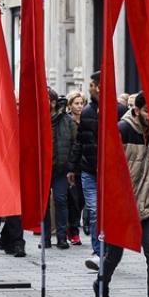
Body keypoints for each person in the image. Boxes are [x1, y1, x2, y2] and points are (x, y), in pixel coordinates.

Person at [96, 92, 149, 297]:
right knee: (114, 255)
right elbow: (109, 167)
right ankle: (101, 285)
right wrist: (118, 200)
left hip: (147, 204)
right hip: (122, 205)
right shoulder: (123, 129)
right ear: (137, 110)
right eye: (147, 111)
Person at [70, 71, 104, 269]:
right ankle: (98, 253)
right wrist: (73, 168)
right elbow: (79, 143)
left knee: (105, 213)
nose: (89, 87)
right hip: (89, 171)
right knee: (93, 211)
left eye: (92, 84)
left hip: (109, 174)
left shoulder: (117, 110)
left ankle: (107, 250)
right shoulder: (88, 112)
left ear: (99, 86)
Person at [43, 89, 75, 249]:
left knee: (61, 200)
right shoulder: (39, 119)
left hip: (61, 169)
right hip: (43, 169)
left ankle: (62, 237)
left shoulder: (66, 120)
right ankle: (45, 238)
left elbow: (74, 143)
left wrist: (70, 166)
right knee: (43, 205)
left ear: (53, 102)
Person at [64, 91, 87, 246]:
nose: (79, 106)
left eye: (81, 103)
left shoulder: (87, 120)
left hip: (85, 165)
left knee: (82, 200)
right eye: (76, 103)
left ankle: (73, 226)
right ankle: (73, 230)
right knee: (74, 200)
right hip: (72, 166)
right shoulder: (67, 122)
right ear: (70, 105)